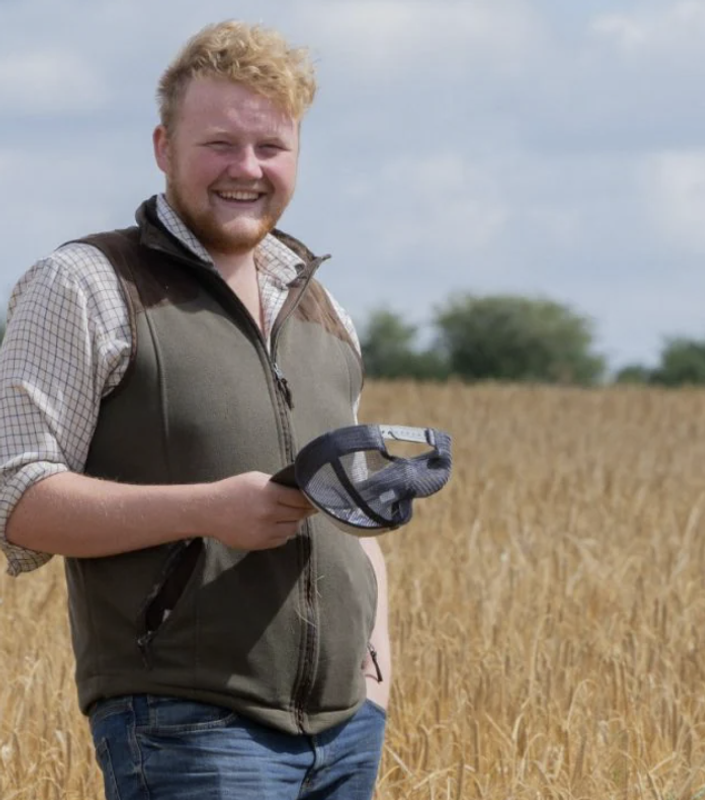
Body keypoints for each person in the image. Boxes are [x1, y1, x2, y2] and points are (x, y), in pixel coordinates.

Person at [0, 21, 391, 799]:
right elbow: (17, 496)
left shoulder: (322, 308)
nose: (246, 169)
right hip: (187, 726)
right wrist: (212, 509)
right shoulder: (85, 283)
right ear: (162, 146)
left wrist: (376, 674)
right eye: (219, 144)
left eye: (270, 147)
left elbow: (351, 512)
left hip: (346, 732)